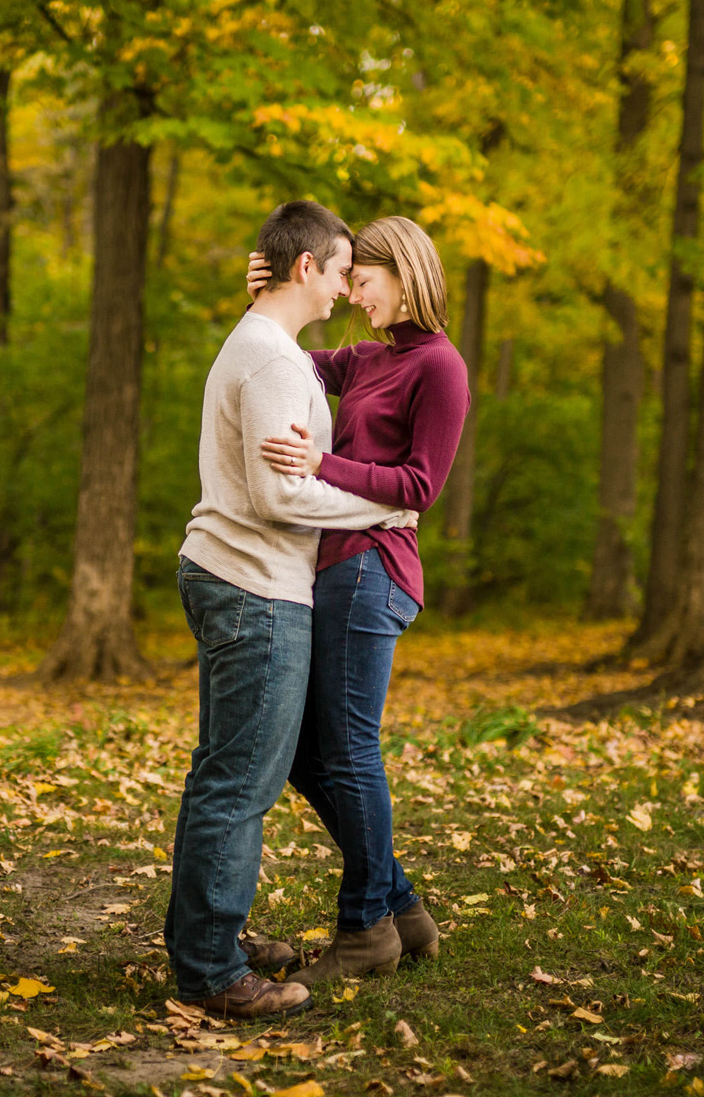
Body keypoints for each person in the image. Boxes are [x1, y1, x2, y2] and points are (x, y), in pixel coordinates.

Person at [168, 200, 419, 1020]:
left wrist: (262, 293)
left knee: (225, 772)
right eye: (343, 270)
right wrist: (381, 512)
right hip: (255, 587)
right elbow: (281, 495)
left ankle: (213, 940)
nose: (349, 288)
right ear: (307, 267)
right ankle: (212, 973)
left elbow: (307, 401)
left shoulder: (269, 345)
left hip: (232, 575)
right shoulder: (274, 358)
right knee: (241, 783)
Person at [244, 215, 470, 987]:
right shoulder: (369, 360)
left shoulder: (440, 368)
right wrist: (265, 298)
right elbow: (281, 359)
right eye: (346, 280)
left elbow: (420, 487)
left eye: (364, 283)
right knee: (308, 753)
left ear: (404, 276)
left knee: (348, 750)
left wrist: (325, 463)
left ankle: (364, 928)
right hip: (332, 566)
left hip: (375, 567)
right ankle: (400, 908)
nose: (353, 296)